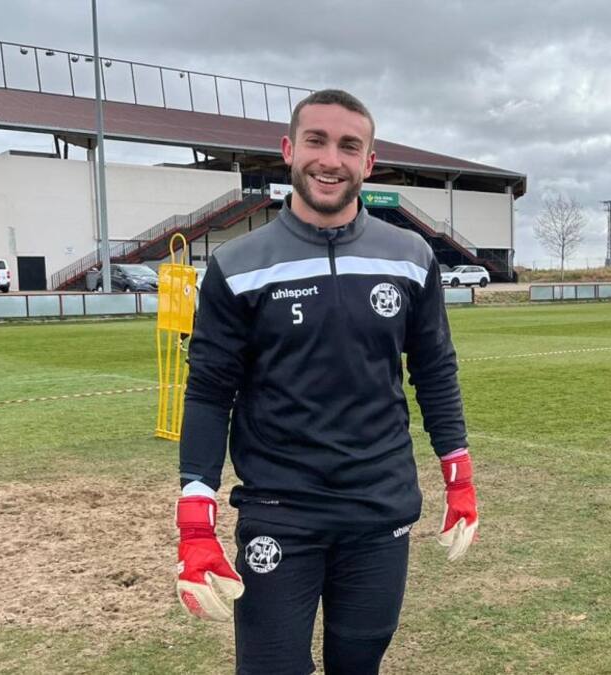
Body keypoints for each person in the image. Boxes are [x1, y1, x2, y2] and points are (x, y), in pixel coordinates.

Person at [174, 89, 479, 674]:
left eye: (348, 146)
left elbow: (435, 369)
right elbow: (210, 392)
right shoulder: (237, 265)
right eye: (316, 141)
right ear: (290, 150)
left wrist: (459, 476)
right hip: (279, 510)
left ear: (369, 162)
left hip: (378, 508)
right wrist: (195, 517)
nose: (330, 160)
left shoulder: (411, 256)